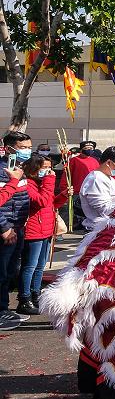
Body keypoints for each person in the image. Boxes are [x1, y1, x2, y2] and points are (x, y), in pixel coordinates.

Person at [17, 153, 67, 315]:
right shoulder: (28, 184)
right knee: (30, 266)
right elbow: (41, 202)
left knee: (40, 267)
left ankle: (35, 293)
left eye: (49, 168)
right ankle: (24, 298)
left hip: (46, 230)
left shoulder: (43, 183)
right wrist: (50, 181)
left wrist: (64, 196)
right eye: (44, 168)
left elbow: (51, 204)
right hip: (33, 231)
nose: (48, 171)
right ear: (33, 169)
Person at [0, 131, 33, 322]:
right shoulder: (4, 170)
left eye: (29, 147)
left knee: (10, 271)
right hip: (7, 228)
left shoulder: (20, 169)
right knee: (2, 272)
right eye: (22, 148)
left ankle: (4, 308)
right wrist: (4, 228)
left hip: (18, 226)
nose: (27, 151)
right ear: (10, 148)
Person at [78, 147, 115, 231]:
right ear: (109, 162)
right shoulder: (97, 179)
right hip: (99, 230)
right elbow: (104, 209)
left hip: (110, 227)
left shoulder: (108, 177)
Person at [68, 142, 100, 232]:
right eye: (87, 147)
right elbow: (68, 174)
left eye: (91, 147)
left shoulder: (95, 161)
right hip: (77, 190)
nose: (89, 149)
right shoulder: (74, 160)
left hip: (91, 190)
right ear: (81, 149)